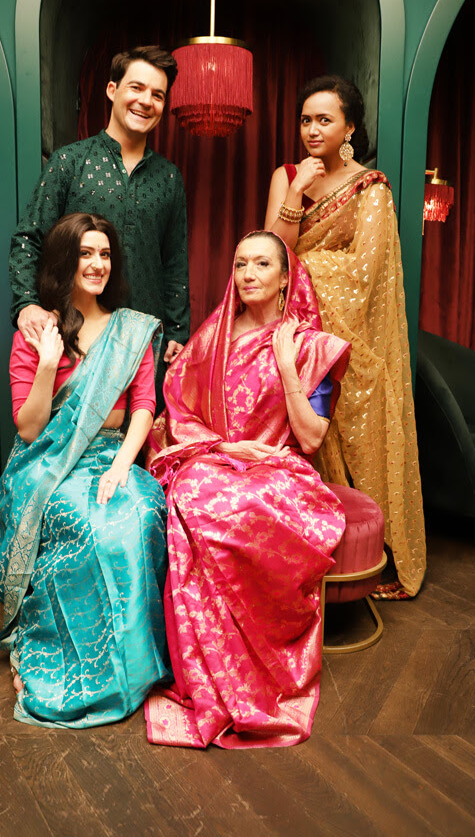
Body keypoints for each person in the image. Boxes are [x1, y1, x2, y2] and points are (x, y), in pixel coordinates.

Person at [143, 231, 351, 749]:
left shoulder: (309, 346)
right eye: (240, 264)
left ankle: (256, 668)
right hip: (217, 459)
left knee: (234, 507)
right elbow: (180, 413)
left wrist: (286, 363)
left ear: (286, 277)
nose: (248, 274)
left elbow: (310, 438)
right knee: (190, 495)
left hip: (279, 471)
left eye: (262, 264)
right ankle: (206, 674)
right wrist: (225, 448)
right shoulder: (211, 339)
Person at [0, 212, 170, 728]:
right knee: (90, 528)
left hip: (113, 455)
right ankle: (69, 660)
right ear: (64, 261)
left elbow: (144, 406)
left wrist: (121, 466)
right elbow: (30, 430)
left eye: (105, 254)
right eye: (85, 253)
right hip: (51, 462)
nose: (96, 264)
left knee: (143, 515)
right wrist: (47, 364)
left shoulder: (132, 329)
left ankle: (136, 666)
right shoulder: (37, 332)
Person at [265, 75, 426, 600]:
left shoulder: (370, 188)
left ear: (349, 127)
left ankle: (373, 557)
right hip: (290, 331)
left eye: (324, 120)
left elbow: (364, 273)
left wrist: (304, 270)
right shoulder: (286, 176)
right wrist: (295, 192)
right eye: (305, 120)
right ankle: (297, 555)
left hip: (345, 335)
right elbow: (272, 255)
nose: (312, 130)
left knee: (355, 427)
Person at [9, 45, 189, 398]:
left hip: (145, 343)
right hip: (76, 340)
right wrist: (27, 304)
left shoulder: (169, 178)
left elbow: (175, 262)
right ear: (112, 90)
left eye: (157, 95)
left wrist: (178, 332)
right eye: (136, 88)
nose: (146, 101)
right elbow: (29, 237)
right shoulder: (69, 163)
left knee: (141, 429)